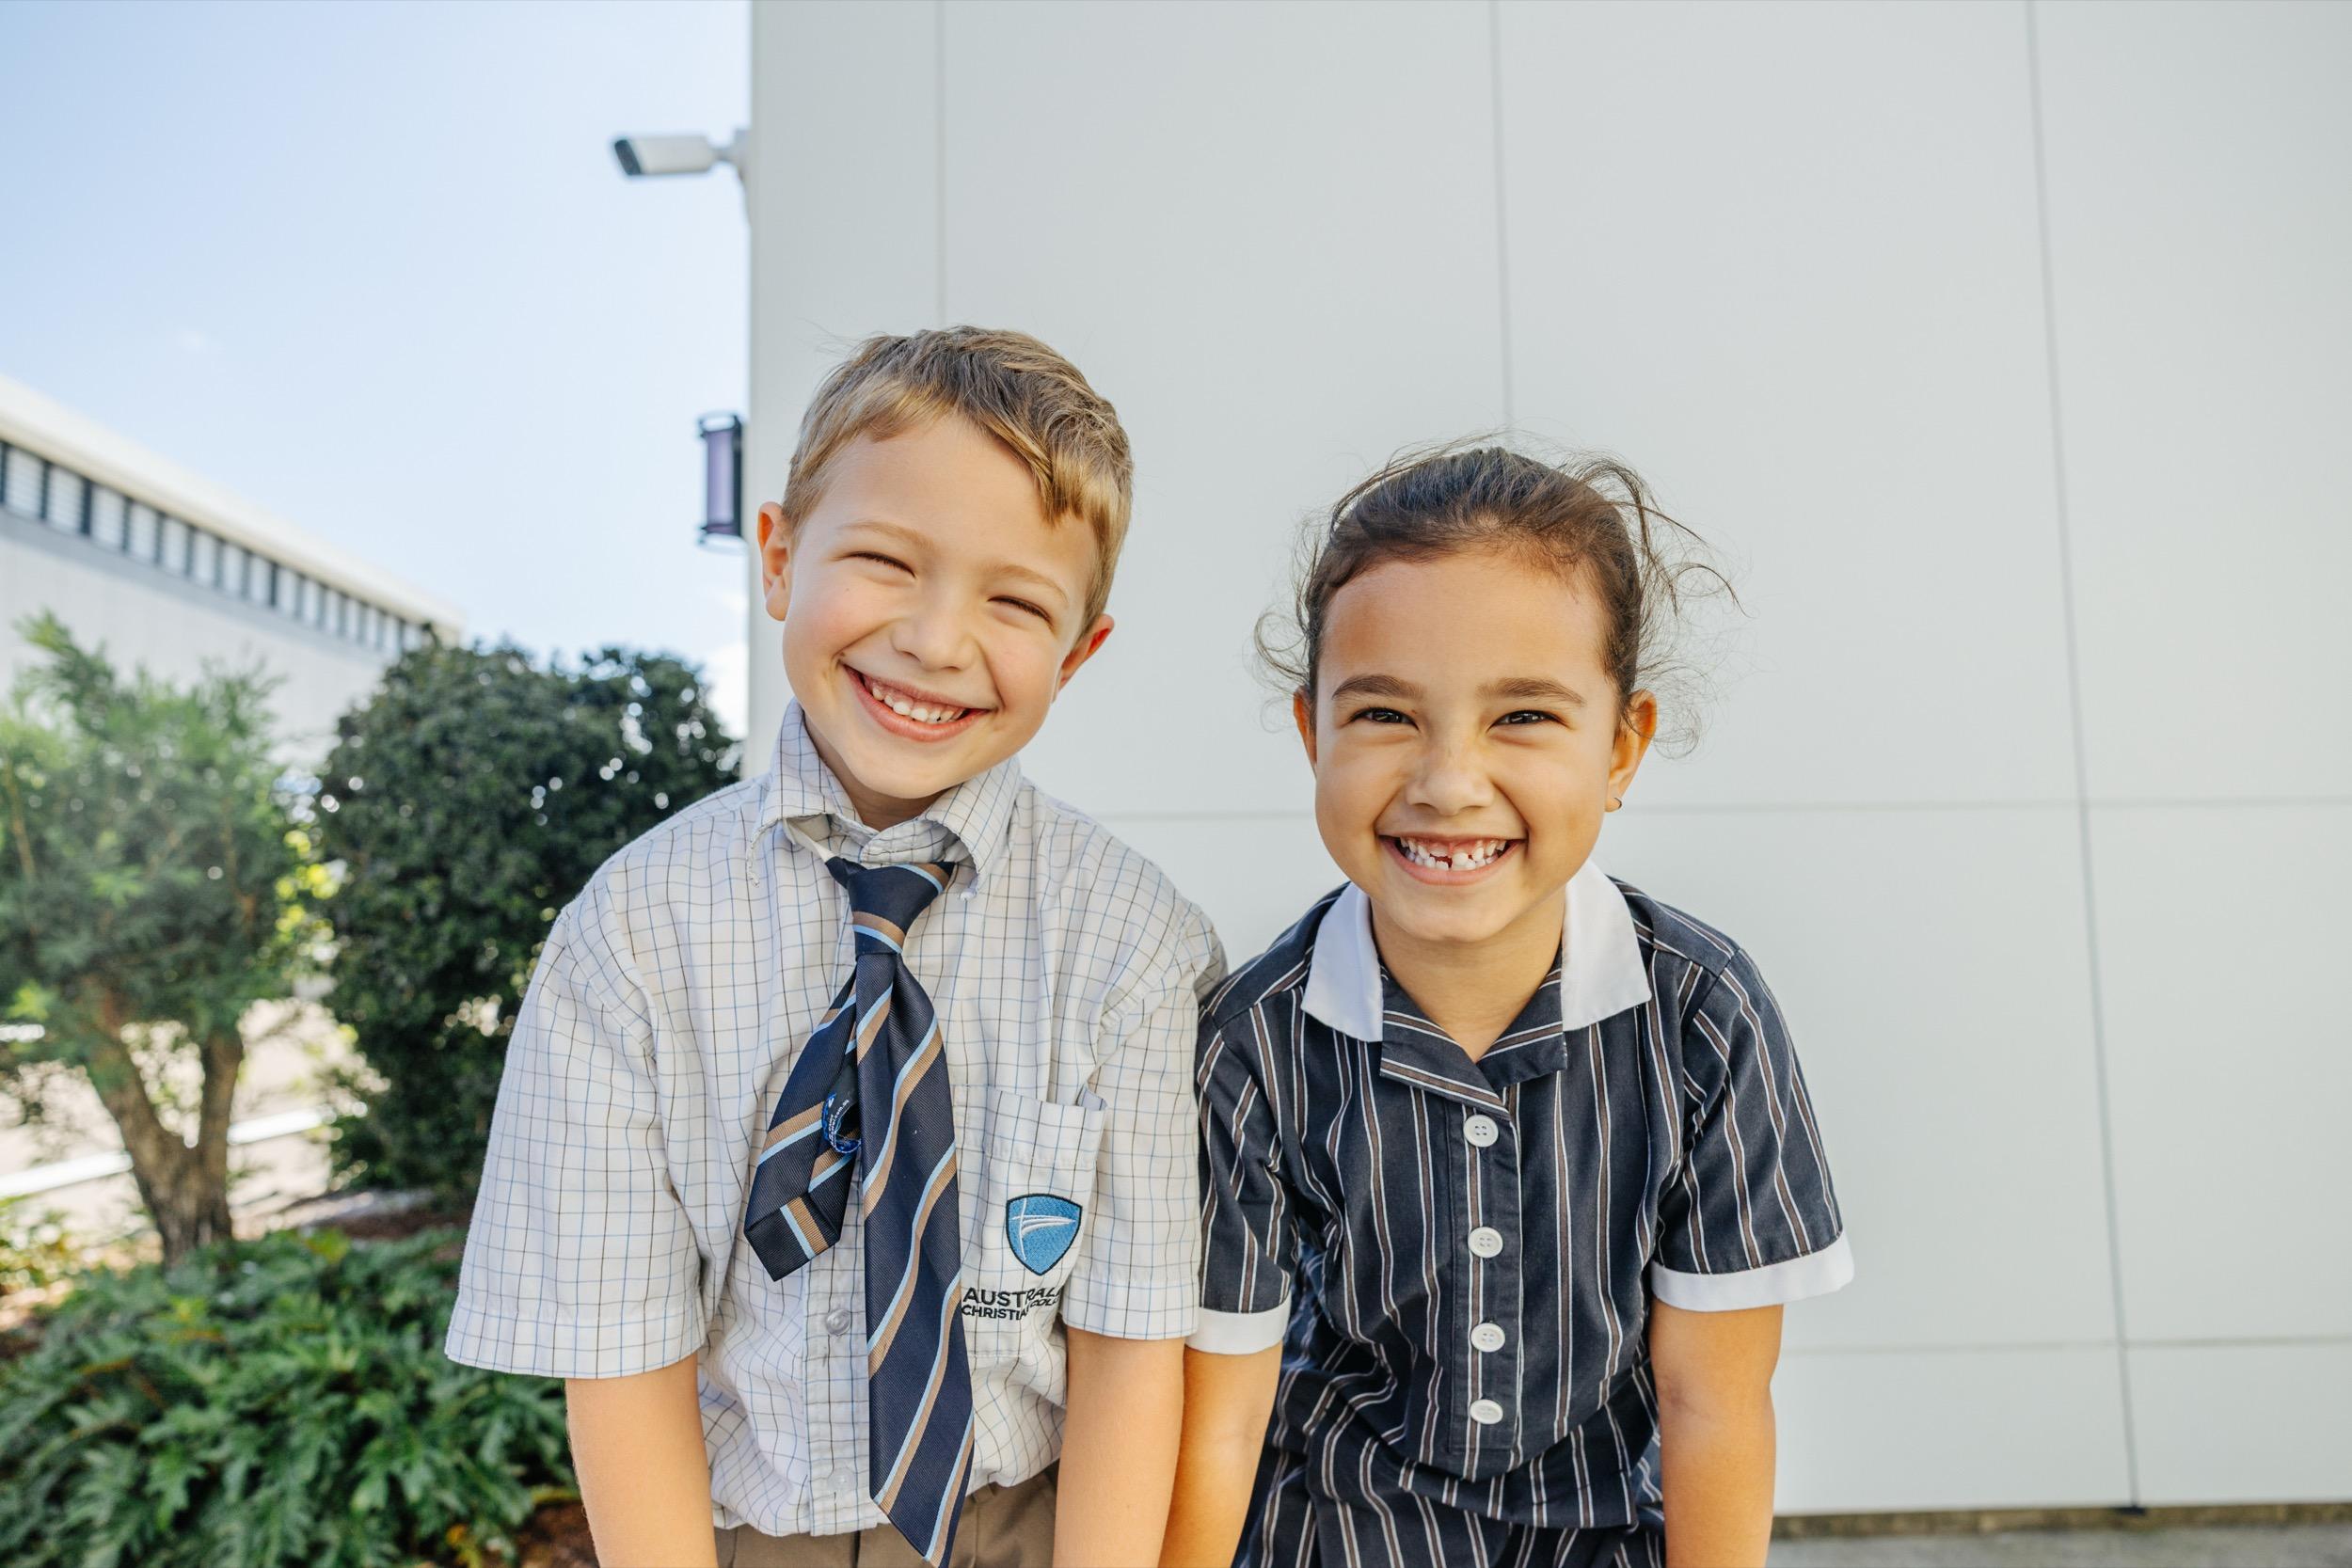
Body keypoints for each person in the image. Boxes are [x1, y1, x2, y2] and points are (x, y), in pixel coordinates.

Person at [445, 327, 1224, 1568]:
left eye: (1016, 600)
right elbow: (620, 1357)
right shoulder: (630, 937)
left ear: (1080, 652)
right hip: (744, 1532)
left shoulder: (1136, 941)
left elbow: (1135, 1342)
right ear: (777, 557)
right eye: (884, 560)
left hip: (1037, 1521)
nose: (934, 638)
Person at [1161, 445, 1852, 1568]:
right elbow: (1223, 1418)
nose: (1447, 780)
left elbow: (1713, 1402)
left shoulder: (1701, 1019)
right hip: (1331, 1538)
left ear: (1621, 745)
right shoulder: (1253, 1046)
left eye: (1521, 715)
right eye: (1384, 712)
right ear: (1311, 734)